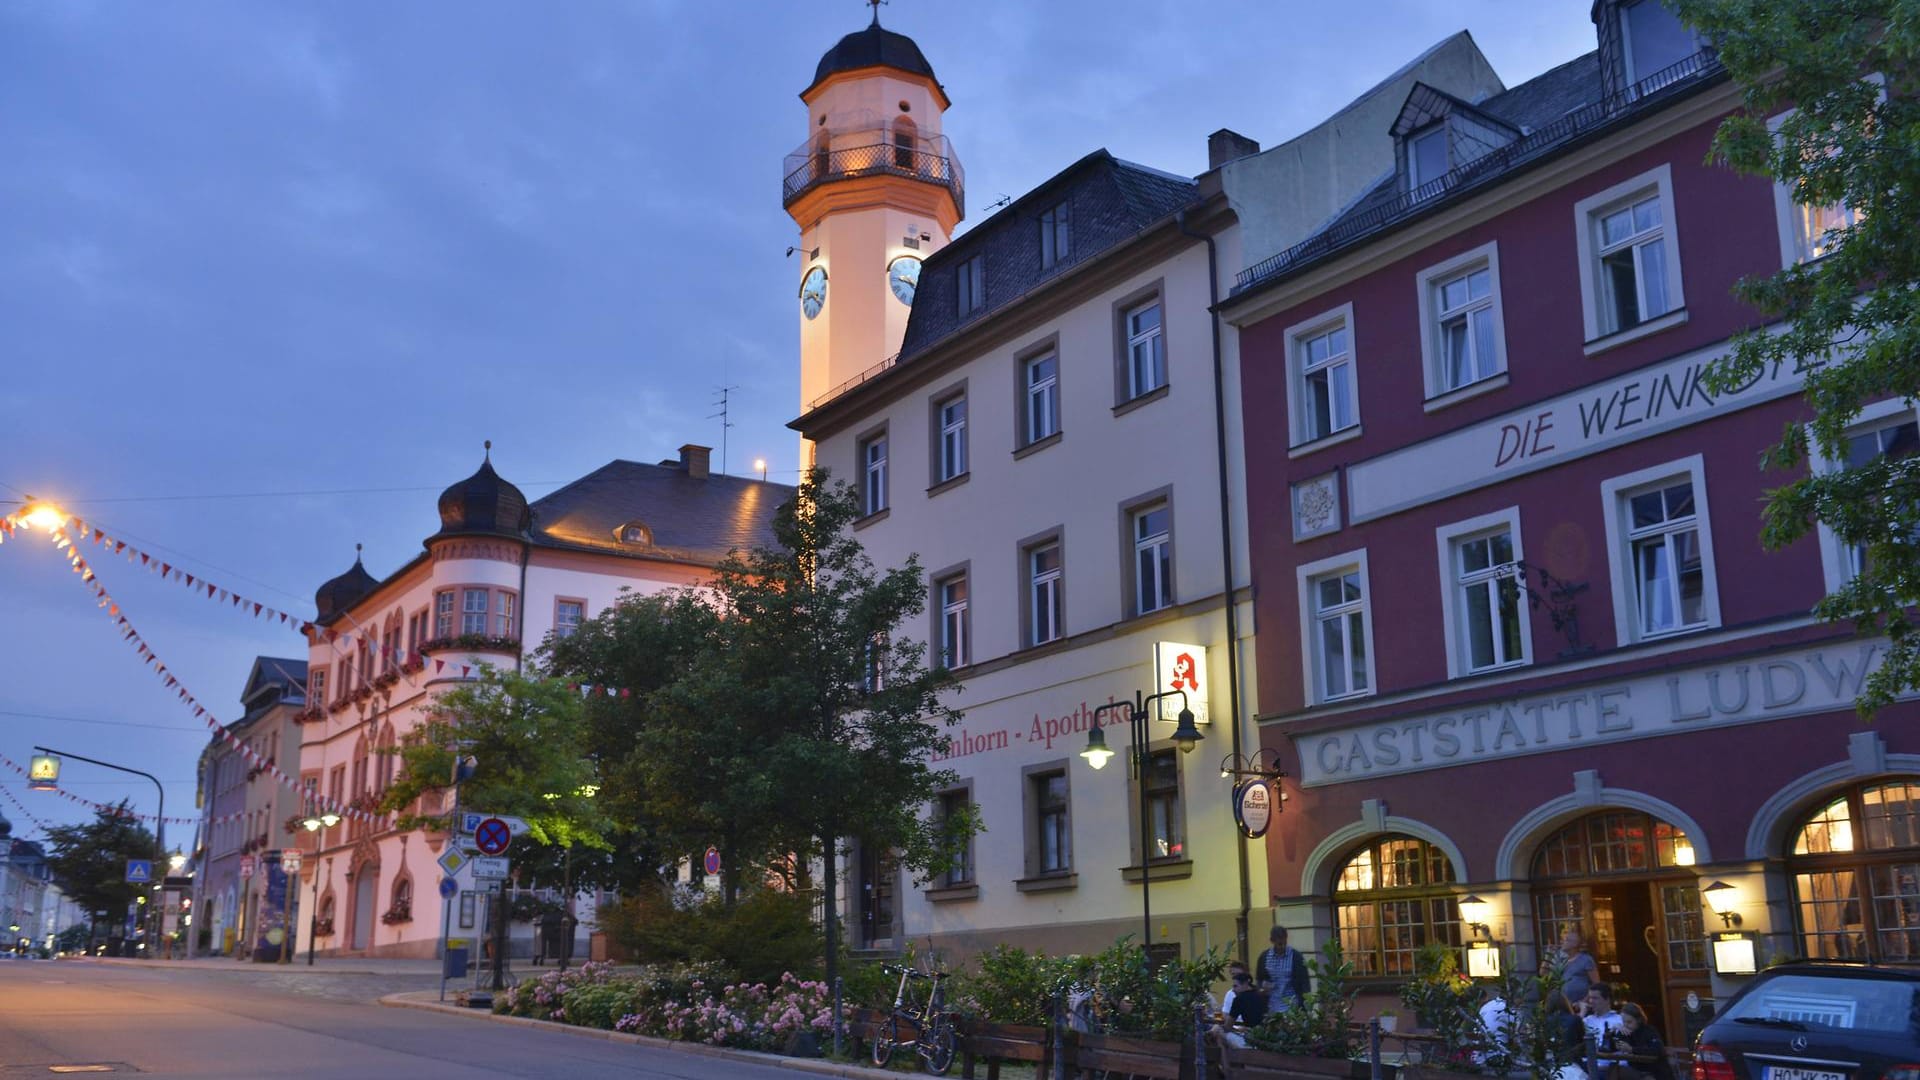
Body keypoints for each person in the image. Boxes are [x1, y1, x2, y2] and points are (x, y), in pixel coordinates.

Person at [1611, 1003, 1676, 1080]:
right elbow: (1610, 1048)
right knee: (1613, 1069)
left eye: (1629, 1022)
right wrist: (1614, 1030)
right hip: (1637, 1071)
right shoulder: (1625, 1032)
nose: (1626, 1025)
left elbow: (1656, 1050)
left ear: (1638, 1020)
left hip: (1655, 1071)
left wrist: (1631, 1049)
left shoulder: (1649, 1031)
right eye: (1624, 1022)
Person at [1255, 926, 1310, 1014]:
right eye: (1279, 944)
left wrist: (1304, 1005)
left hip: (1292, 1004)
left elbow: (1304, 982)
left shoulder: (1296, 957)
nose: (1282, 947)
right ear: (1272, 941)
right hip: (1271, 1005)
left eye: (1285, 943)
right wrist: (1261, 990)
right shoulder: (1264, 957)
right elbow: (1259, 979)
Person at [1211, 969, 1269, 1051]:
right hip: (1265, 1038)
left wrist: (1237, 1029)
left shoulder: (1239, 999)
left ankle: (1226, 1063)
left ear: (1245, 984)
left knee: (1218, 1031)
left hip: (1251, 1041)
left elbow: (1228, 1026)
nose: (1233, 990)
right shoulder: (1261, 994)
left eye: (1235, 986)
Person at [1543, 990, 1588, 1080]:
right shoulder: (1575, 1019)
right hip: (1573, 1063)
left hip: (1552, 1064)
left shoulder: (1544, 1022)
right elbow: (1583, 1042)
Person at [1559, 929, 1599, 1004]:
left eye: (1566, 940)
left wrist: (1584, 1002)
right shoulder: (1562, 960)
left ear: (1575, 944)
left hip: (1582, 1006)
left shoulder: (1586, 960)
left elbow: (1596, 984)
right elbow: (1544, 974)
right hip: (1565, 1005)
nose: (1562, 942)